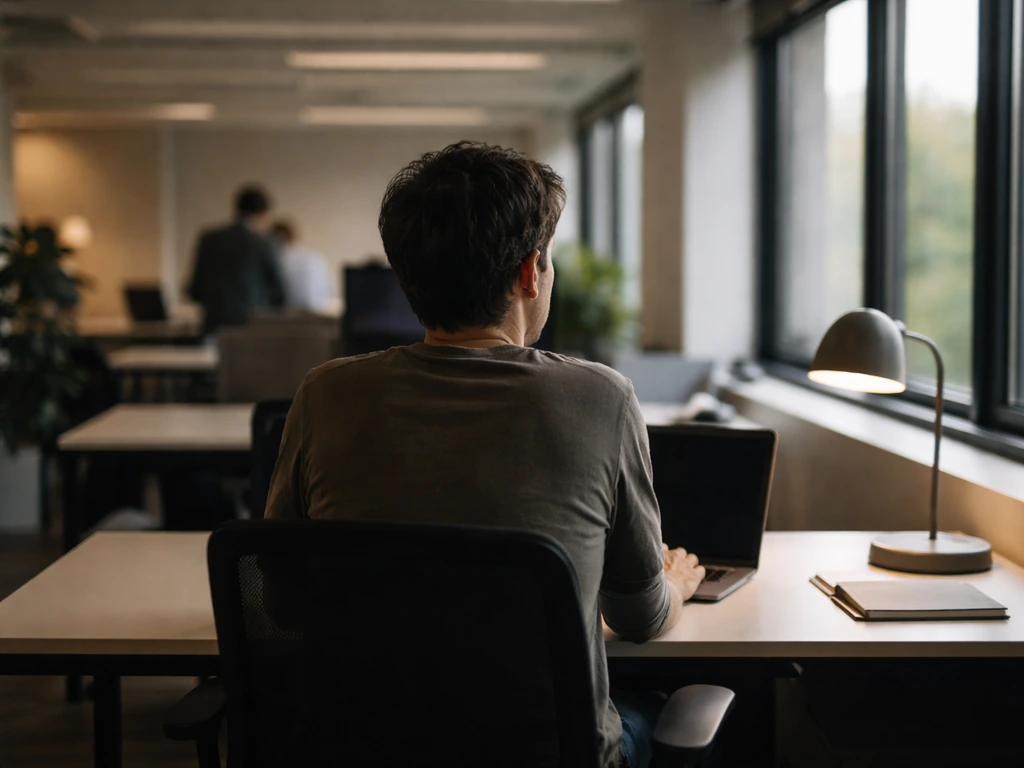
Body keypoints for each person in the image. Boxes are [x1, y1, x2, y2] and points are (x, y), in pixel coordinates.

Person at [264, 142, 705, 768]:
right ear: (531, 271)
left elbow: (281, 599)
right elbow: (638, 616)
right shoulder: (600, 399)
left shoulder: (325, 394)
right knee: (653, 709)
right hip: (547, 754)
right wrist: (676, 584)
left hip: (363, 748)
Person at [187, 185, 284, 336]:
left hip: (214, 324)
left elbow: (194, 289)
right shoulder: (262, 243)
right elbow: (278, 292)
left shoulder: (209, 239)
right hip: (251, 327)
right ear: (262, 213)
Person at [268, 219, 338, 313]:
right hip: (320, 313)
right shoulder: (316, 258)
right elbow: (331, 290)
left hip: (289, 315)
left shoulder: (279, 260)